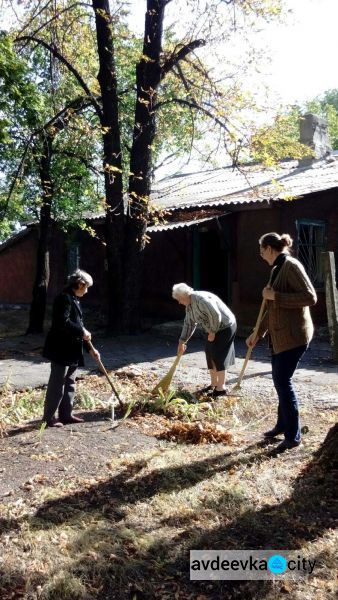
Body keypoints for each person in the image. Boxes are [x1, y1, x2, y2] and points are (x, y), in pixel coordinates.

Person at [246, 232, 317, 452]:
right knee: (280, 381)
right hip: (279, 336)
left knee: (282, 382)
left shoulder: (291, 266)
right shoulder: (276, 268)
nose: (260, 254)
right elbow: (271, 309)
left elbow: (310, 297)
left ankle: (293, 436)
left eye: (261, 249)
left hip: (294, 336)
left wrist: (276, 297)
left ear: (269, 248)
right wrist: (257, 333)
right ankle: (282, 425)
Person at [42, 269, 100, 427]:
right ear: (80, 284)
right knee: (57, 383)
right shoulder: (64, 299)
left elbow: (79, 326)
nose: (87, 291)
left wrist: (90, 349)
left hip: (72, 350)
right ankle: (48, 418)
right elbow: (63, 322)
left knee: (70, 382)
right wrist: (82, 331)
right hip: (60, 349)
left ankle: (66, 415)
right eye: (86, 287)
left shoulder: (74, 299)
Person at [172, 283, 237, 397]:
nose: (179, 302)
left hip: (225, 326)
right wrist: (182, 341)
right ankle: (213, 384)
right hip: (213, 328)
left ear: (185, 296)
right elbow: (189, 324)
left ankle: (221, 388)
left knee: (218, 355)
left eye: (179, 299)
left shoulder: (202, 300)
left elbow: (216, 315)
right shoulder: (189, 306)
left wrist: (212, 331)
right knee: (209, 353)